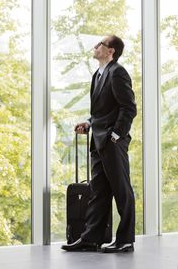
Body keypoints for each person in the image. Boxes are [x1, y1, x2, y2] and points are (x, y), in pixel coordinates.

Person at [61, 35, 137, 253]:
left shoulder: (118, 72)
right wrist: (88, 123)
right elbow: (102, 112)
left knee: (122, 191)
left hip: (112, 143)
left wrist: (115, 136)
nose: (95, 47)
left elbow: (129, 108)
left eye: (100, 44)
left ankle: (125, 240)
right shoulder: (98, 75)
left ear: (110, 51)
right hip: (98, 142)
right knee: (99, 192)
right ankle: (90, 239)